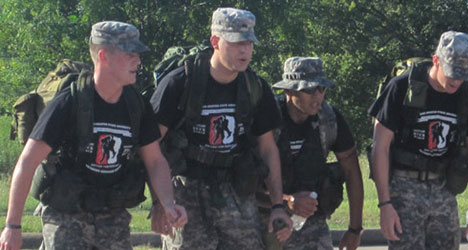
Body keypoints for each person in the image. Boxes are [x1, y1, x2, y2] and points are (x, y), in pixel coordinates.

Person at [0, 21, 187, 250]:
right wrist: (12, 226)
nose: (137, 61)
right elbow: (27, 162)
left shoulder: (137, 105)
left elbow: (155, 160)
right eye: (129, 54)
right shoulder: (69, 102)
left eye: (137, 54)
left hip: (112, 217)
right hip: (67, 216)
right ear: (103, 56)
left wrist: (167, 204)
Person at [149, 7, 291, 249]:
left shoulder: (255, 87)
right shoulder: (178, 83)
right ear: (215, 41)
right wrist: (160, 203)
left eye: (249, 42)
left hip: (236, 193)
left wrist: (278, 205)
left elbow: (268, 148)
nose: (245, 49)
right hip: (186, 192)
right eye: (236, 42)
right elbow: (151, 149)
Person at [368, 31, 468, 249]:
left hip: (444, 188)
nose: (457, 81)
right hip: (403, 188)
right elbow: (380, 147)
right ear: (436, 61)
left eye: (463, 75)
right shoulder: (402, 87)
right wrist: (385, 204)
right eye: (453, 73)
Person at [260, 56, 364, 250]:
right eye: (309, 89)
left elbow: (352, 172)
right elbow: (243, 181)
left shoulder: (329, 120)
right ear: (288, 90)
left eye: (322, 88)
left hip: (309, 221)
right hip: (264, 214)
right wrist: (287, 201)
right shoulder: (267, 119)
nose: (318, 96)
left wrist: (354, 230)